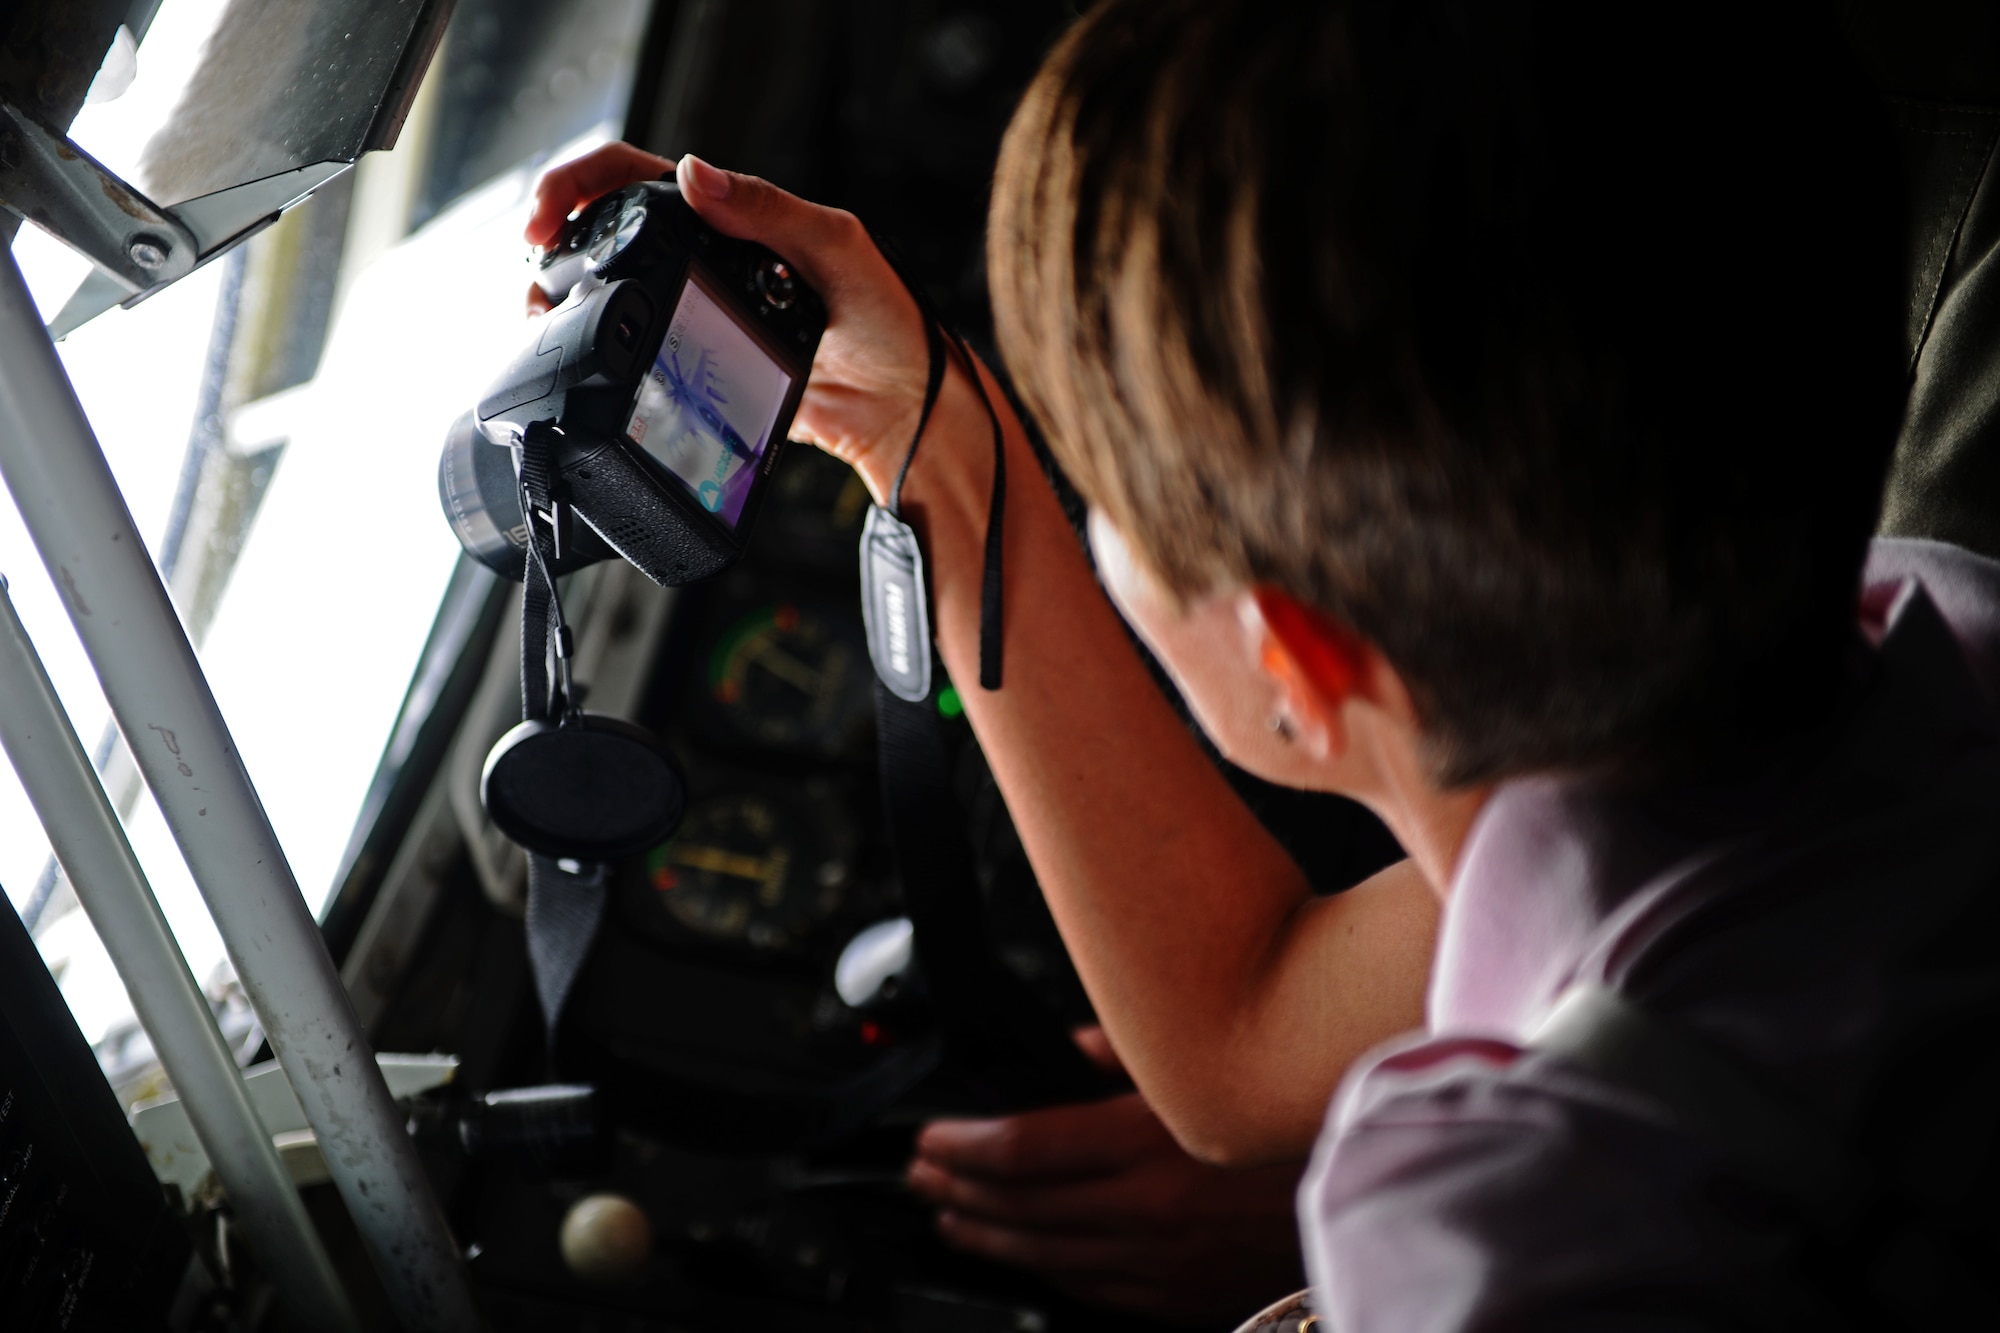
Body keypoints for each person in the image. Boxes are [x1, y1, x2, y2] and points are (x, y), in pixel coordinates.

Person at [529, 0, 2000, 1323]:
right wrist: (940, 448)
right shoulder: (1929, 625)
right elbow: (1242, 1034)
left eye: (1118, 504)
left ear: (1292, 659)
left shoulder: (1502, 1236)